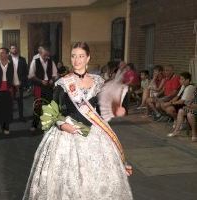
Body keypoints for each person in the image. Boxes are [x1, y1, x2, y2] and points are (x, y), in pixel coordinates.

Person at [23, 42, 133, 199]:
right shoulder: (62, 83)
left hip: (94, 134)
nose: (77, 60)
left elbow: (101, 111)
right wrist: (62, 125)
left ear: (88, 58)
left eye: (81, 56)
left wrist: (117, 109)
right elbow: (52, 112)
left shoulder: (98, 82)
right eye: (74, 56)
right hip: (67, 134)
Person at [28, 47, 58, 131]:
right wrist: (41, 81)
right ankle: (34, 125)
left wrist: (52, 79)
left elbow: (55, 74)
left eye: (48, 55)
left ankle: (47, 124)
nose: (46, 57)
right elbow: (31, 76)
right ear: (40, 54)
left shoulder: (51, 62)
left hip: (48, 87)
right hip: (39, 87)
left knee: (48, 106)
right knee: (37, 106)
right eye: (45, 55)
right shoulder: (35, 62)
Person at [9, 44, 28, 122]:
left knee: (20, 101)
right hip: (10, 84)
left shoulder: (22, 59)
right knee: (10, 101)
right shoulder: (7, 59)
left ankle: (21, 117)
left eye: (15, 48)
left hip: (19, 84)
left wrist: (21, 81)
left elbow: (25, 72)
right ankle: (10, 118)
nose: (14, 50)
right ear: (10, 50)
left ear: (17, 49)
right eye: (12, 48)